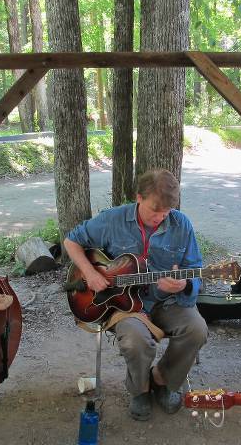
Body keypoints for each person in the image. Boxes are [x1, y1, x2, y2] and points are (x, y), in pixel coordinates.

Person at [64, 168, 207, 421]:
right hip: (124, 306)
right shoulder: (112, 220)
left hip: (168, 301)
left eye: (166, 212)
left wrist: (183, 285)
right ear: (138, 198)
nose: (160, 217)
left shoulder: (181, 224)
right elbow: (71, 241)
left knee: (196, 329)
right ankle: (140, 390)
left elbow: (194, 269)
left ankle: (161, 379)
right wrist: (90, 272)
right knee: (135, 338)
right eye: (155, 210)